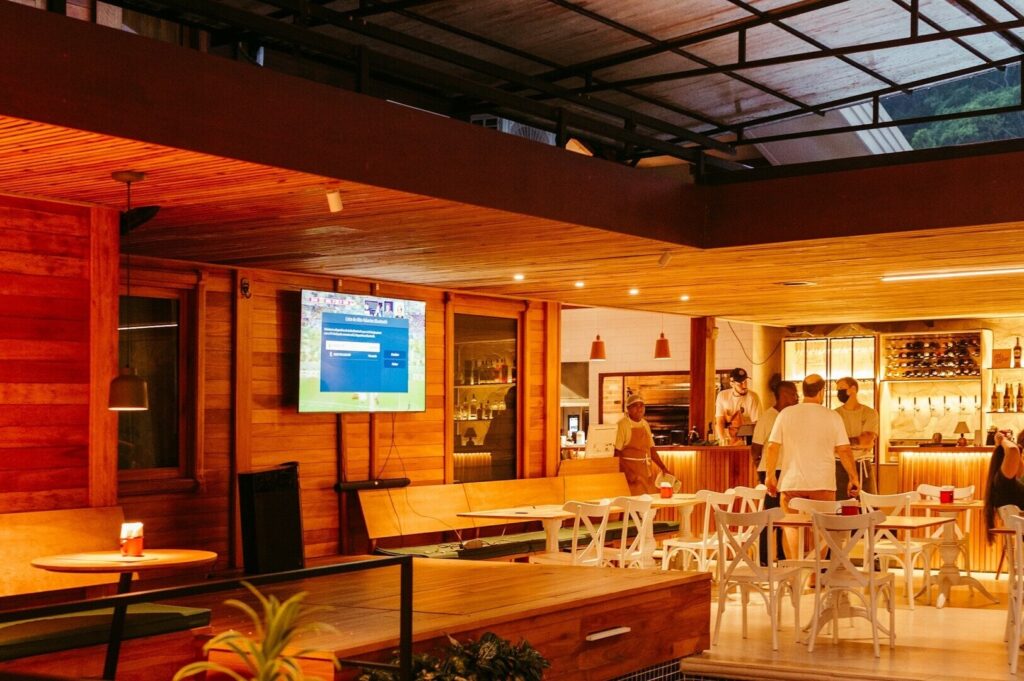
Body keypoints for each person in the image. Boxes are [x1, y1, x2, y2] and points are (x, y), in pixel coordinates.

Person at [764, 374, 859, 562]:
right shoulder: (832, 416)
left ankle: (793, 573)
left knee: (791, 527)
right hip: (822, 483)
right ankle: (815, 578)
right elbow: (844, 450)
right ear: (822, 392)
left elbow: (772, 446)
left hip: (791, 483)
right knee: (822, 530)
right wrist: (853, 477)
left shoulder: (786, 414)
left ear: (803, 391)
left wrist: (770, 475)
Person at [751, 374, 798, 564]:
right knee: (770, 516)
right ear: (784, 395)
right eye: (794, 394)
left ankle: (782, 554)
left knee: (784, 515)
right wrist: (761, 471)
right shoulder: (768, 417)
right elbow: (755, 447)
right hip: (772, 471)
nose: (797, 398)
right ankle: (764, 557)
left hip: (787, 470)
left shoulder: (792, 416)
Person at [614, 393, 670, 494]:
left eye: (641, 405)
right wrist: (628, 473)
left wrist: (663, 468)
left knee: (649, 505)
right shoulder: (622, 425)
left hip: (646, 473)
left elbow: (651, 450)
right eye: (635, 406)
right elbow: (616, 453)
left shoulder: (645, 424)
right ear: (628, 409)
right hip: (631, 476)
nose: (639, 409)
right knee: (633, 506)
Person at [834, 377, 879, 499]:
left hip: (863, 465)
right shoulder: (834, 414)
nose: (839, 393)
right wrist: (855, 442)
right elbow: (830, 444)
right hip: (839, 466)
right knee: (840, 509)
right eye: (837, 390)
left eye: (841, 389)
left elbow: (867, 441)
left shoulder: (869, 413)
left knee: (869, 508)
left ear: (853, 389)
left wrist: (841, 445)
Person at [984, 430, 1024, 540]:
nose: (1021, 462)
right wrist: (1002, 439)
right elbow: (1012, 450)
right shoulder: (1004, 482)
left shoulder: (1005, 484)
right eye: (1020, 458)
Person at [715, 367, 762, 445]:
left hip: (747, 440)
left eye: (745, 381)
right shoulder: (722, 396)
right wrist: (723, 440)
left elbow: (757, 423)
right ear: (732, 383)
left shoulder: (753, 397)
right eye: (740, 383)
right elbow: (720, 420)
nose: (744, 386)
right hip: (727, 440)